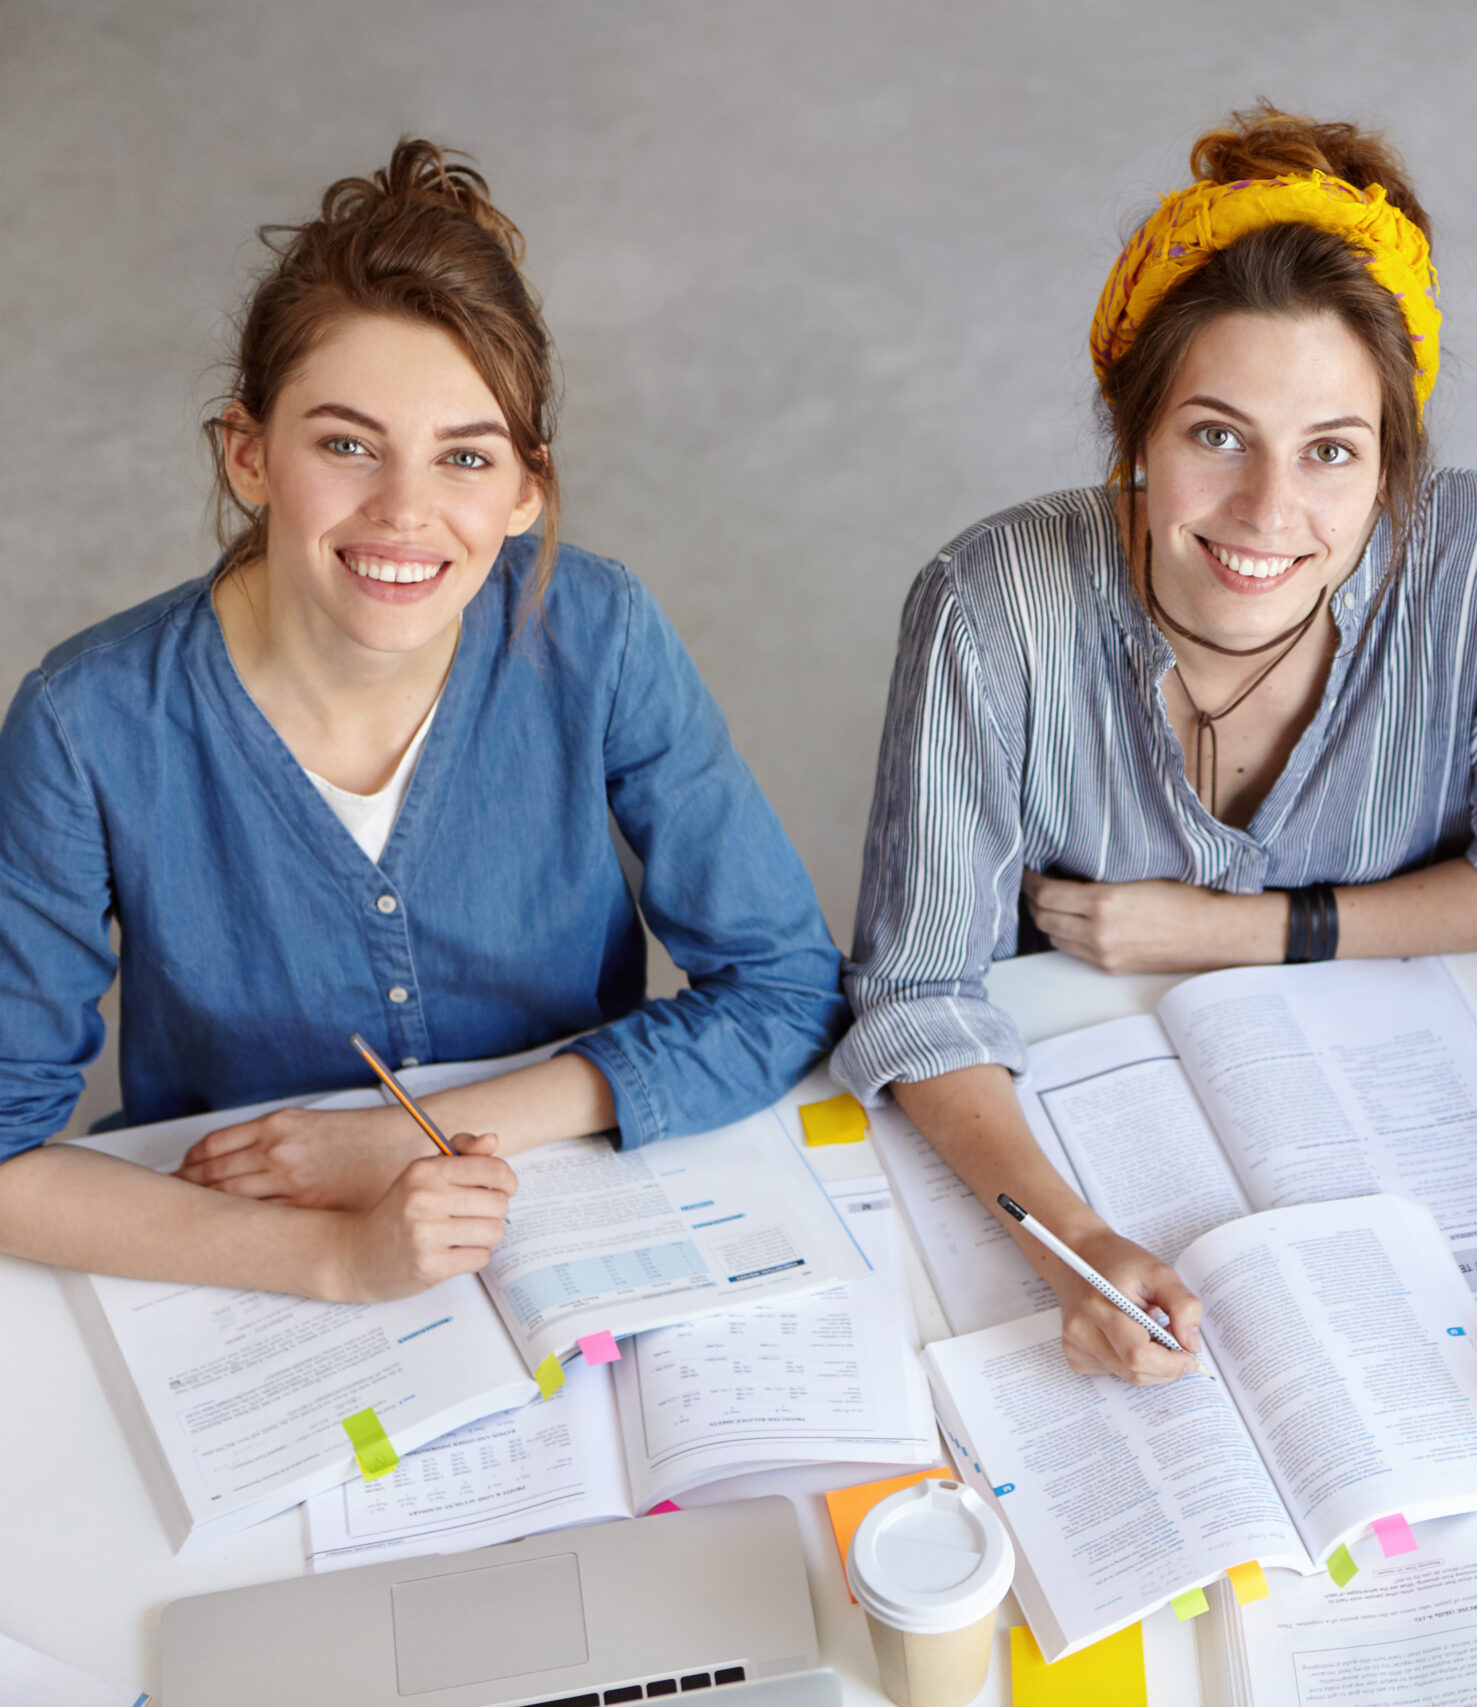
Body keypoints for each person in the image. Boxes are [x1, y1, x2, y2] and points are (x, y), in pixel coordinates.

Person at [837, 106, 1477, 1387]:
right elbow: (919, 996)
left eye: (1332, 452)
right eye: (1217, 436)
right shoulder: (987, 607)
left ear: (1390, 467)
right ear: (1135, 442)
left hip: (1403, 1111)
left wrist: (1233, 928)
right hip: (1090, 1104)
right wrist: (1077, 1247)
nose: (1271, 515)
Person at [0, 141, 847, 1304]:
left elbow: (784, 988)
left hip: (562, 1207)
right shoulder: (84, 722)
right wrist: (338, 1257)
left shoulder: (595, 633)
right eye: (346, 444)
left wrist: (418, 1135)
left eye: (464, 457)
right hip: (240, 1259)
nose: (404, 512)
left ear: (524, 490)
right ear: (249, 454)